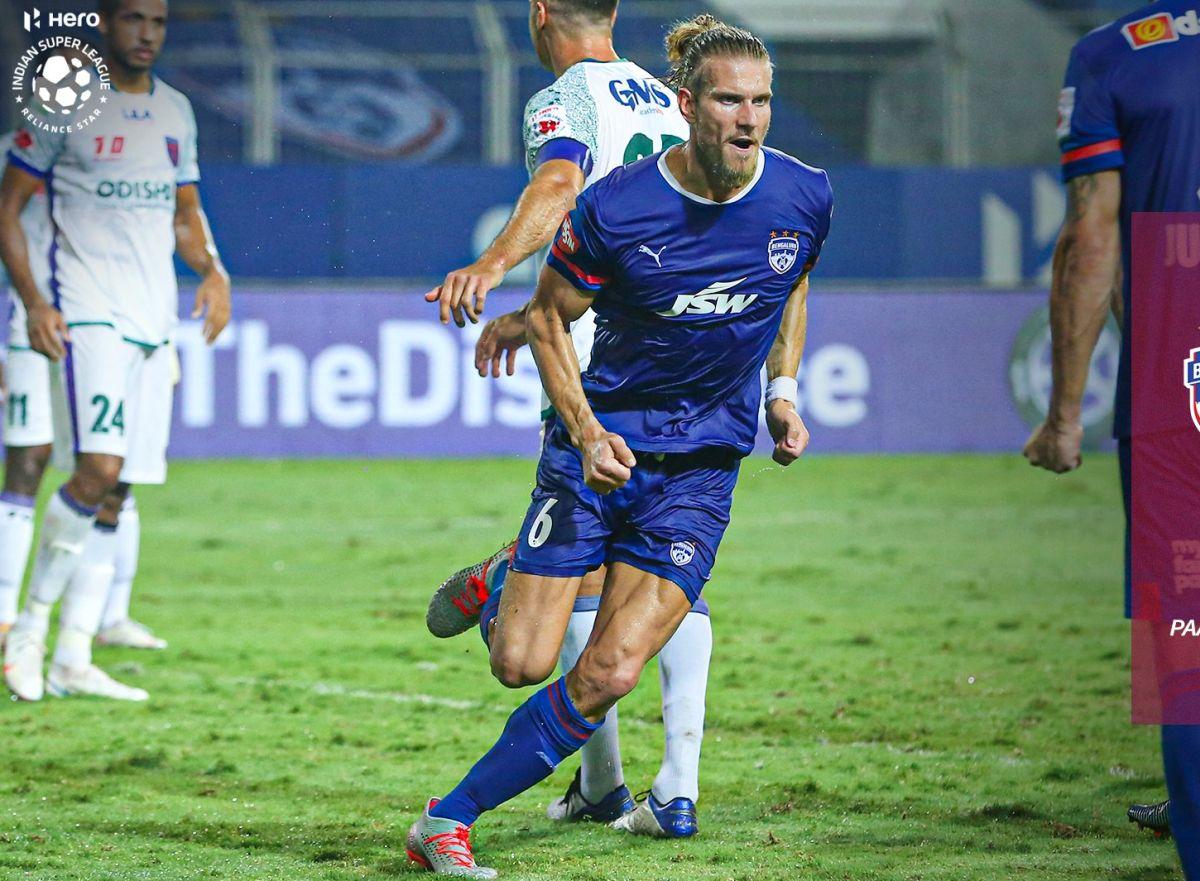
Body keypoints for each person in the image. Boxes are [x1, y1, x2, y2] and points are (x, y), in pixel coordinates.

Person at [406, 17, 832, 877]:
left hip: (701, 471)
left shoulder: (804, 194)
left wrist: (782, 393)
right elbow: (551, 320)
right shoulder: (618, 204)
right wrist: (590, 431)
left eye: (760, 102)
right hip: (598, 451)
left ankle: (446, 820)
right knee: (519, 662)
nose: (746, 119)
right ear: (688, 105)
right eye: (727, 101)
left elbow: (793, 278)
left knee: (611, 670)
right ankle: (507, 577)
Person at [423, 0, 709, 837]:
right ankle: (627, 784)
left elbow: (558, 181)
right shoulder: (670, 97)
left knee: (610, 575)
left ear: (540, 12)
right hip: (680, 357)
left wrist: (491, 262)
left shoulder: (571, 95)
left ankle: (514, 573)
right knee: (657, 571)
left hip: (596, 368)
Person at [0, 0, 231, 701]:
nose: (147, 34)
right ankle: (27, 633)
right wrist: (37, 302)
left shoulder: (176, 111)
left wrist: (213, 270)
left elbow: (184, 212)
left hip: (153, 321)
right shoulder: (65, 102)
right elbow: (8, 209)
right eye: (134, 19)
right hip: (87, 315)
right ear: (104, 23)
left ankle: (74, 653)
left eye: (158, 23)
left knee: (121, 484)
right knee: (92, 469)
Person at [1023, 2, 1199, 876]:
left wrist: (1065, 413)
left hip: (1182, 353)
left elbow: (1093, 239)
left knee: (1189, 613)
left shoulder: (1116, 56)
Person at [0, 131, 165, 656]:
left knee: (113, 472)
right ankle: (9, 617)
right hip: (31, 324)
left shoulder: (124, 139)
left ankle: (105, 617)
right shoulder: (18, 152)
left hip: (109, 326)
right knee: (30, 460)